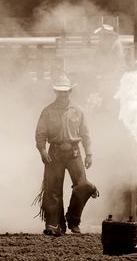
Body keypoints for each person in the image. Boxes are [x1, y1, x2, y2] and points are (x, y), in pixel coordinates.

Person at [35, 76, 98, 236]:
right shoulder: (47, 111)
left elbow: (85, 134)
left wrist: (88, 153)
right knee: (53, 190)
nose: (63, 95)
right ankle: (54, 225)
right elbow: (40, 133)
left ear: (70, 92)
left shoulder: (78, 111)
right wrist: (42, 150)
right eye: (60, 92)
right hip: (54, 153)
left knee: (83, 186)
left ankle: (73, 219)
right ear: (56, 92)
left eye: (65, 92)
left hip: (74, 152)